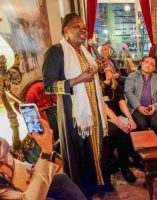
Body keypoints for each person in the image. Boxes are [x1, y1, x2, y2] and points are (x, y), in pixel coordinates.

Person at [42, 13, 129, 197]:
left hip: (94, 110)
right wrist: (78, 79)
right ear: (66, 30)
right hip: (74, 114)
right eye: (76, 26)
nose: (82, 29)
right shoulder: (57, 51)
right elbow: (49, 87)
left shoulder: (86, 52)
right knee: (81, 152)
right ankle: (84, 191)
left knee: (97, 149)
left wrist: (96, 67)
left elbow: (91, 78)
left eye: (84, 27)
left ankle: (101, 182)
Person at [0, 119, 87, 200]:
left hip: (17, 187)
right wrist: (46, 151)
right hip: (18, 195)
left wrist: (30, 169)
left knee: (60, 179)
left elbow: (12, 160)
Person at [101, 66, 137, 183]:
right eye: (104, 70)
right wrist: (119, 123)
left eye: (109, 70)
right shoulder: (97, 87)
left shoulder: (116, 87)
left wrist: (130, 119)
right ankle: (124, 167)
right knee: (121, 131)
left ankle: (131, 159)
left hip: (117, 117)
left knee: (131, 127)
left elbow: (122, 104)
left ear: (113, 72)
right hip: (104, 119)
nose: (106, 72)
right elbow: (105, 109)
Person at [125, 56, 157, 134]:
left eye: (152, 64)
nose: (148, 65)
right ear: (142, 64)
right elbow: (128, 92)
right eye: (146, 62)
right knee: (141, 124)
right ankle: (142, 146)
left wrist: (155, 106)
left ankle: (156, 145)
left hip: (153, 108)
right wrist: (138, 106)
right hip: (136, 108)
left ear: (154, 68)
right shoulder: (132, 76)